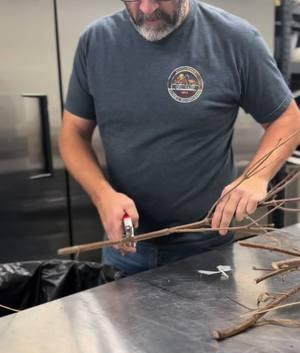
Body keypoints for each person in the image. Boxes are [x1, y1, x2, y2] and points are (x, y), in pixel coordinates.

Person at [59, 0, 300, 275]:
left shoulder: (235, 39)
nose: (147, 8)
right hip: (125, 245)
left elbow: (288, 118)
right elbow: (73, 133)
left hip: (207, 248)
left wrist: (256, 176)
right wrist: (102, 195)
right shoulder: (97, 41)